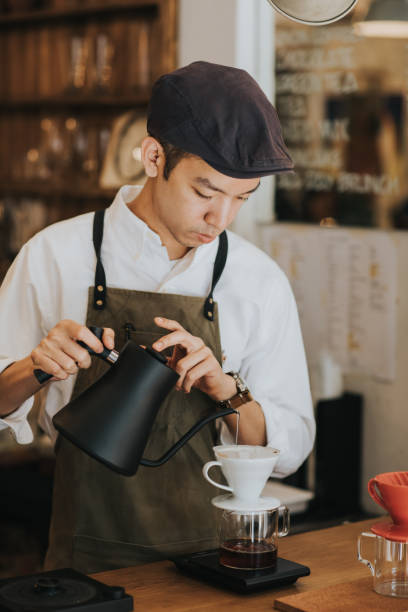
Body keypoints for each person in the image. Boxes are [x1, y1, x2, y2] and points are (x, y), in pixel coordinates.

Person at [0, 61, 315, 573]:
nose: (221, 220)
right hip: (84, 558)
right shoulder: (55, 255)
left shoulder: (258, 280)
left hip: (216, 561)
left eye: (242, 199)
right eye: (205, 193)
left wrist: (224, 388)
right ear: (153, 157)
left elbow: (290, 451)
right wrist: (36, 366)